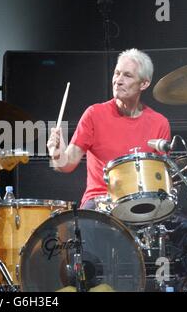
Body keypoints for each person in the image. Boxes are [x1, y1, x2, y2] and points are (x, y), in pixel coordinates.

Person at [47, 48, 171, 210]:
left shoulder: (159, 123)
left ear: (144, 83)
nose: (118, 80)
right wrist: (56, 153)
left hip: (140, 201)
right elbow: (66, 165)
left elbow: (161, 179)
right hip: (99, 201)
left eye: (127, 75)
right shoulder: (94, 114)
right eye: (116, 73)